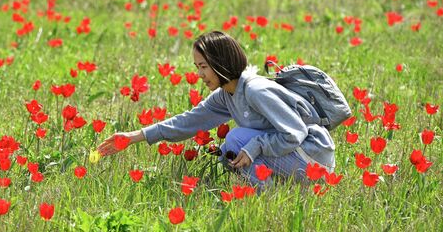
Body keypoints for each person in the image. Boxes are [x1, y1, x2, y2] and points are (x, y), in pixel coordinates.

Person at [97, 31, 335, 186]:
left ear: (221, 64)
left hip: (313, 157)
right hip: (296, 157)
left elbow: (295, 132)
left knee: (236, 140)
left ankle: (268, 197)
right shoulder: (226, 95)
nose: (199, 74)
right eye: (197, 67)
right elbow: (188, 121)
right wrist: (133, 137)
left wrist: (254, 146)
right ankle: (278, 192)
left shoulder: (255, 90)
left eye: (204, 67)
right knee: (226, 154)